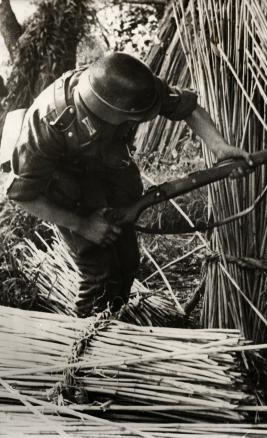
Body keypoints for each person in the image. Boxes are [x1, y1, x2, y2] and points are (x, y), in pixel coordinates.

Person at [5, 52, 252, 316]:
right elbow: (21, 195)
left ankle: (114, 325)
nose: (139, 123)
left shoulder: (136, 88)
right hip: (65, 189)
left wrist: (221, 148)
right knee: (98, 273)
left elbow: (187, 107)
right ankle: (84, 338)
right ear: (107, 110)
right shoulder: (48, 124)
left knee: (127, 262)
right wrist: (83, 225)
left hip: (109, 172)